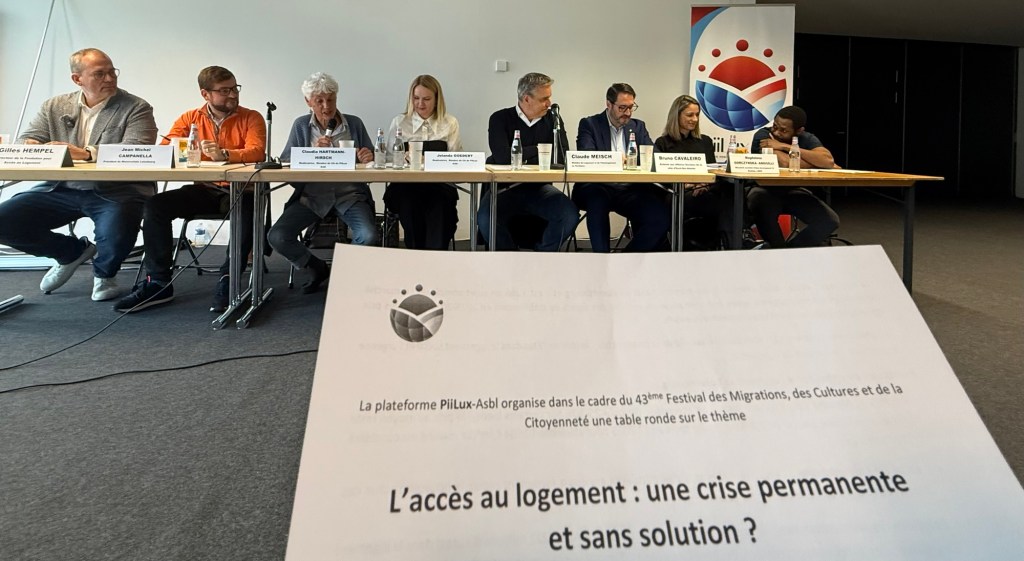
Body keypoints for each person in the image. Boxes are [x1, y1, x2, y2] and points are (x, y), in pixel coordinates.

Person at [0, 48, 157, 302]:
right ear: (77, 79)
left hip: (117, 189)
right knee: (4, 220)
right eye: (100, 74)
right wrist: (34, 145)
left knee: (117, 226)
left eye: (112, 72)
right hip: (61, 188)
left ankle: (105, 275)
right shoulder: (54, 105)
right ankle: (70, 252)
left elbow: (138, 148)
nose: (110, 78)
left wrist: (85, 153)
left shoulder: (136, 107)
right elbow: (27, 138)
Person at [113, 66, 266, 313]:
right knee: (155, 205)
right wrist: (179, 148)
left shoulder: (251, 117)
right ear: (205, 94)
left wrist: (225, 154)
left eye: (234, 88)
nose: (233, 94)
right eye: (224, 90)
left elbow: (257, 151)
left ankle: (229, 278)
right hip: (205, 189)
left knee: (248, 206)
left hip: (242, 190)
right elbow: (165, 147)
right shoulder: (190, 118)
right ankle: (158, 282)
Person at [266, 72, 380, 294]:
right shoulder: (301, 125)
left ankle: (344, 274)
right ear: (308, 102)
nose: (327, 106)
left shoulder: (354, 123)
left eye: (331, 99)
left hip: (350, 195)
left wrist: (369, 157)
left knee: (368, 236)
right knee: (277, 236)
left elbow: (373, 161)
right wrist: (311, 154)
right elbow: (287, 163)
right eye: (319, 101)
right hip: (312, 196)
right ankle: (317, 267)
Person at [480, 72, 578, 251]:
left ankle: (542, 256)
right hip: (505, 188)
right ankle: (509, 258)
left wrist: (520, 153)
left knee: (569, 214)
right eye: (544, 99)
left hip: (538, 189)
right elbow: (503, 158)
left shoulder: (553, 119)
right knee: (486, 218)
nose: (549, 103)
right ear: (526, 99)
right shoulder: (500, 118)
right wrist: (541, 149)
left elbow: (562, 157)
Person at [574, 83, 668, 252]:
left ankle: (625, 260)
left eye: (631, 107)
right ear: (608, 104)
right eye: (622, 107)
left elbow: (653, 155)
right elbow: (588, 156)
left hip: (628, 189)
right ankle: (602, 259)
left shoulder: (638, 126)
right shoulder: (590, 124)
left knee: (659, 217)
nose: (628, 113)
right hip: (596, 186)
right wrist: (618, 160)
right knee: (598, 201)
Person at [384, 75, 461, 250]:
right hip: (405, 185)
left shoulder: (450, 123)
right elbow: (388, 159)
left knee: (441, 209)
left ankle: (436, 256)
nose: (420, 104)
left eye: (426, 99)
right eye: (416, 98)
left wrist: (432, 161)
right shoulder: (399, 122)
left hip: (440, 185)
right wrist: (402, 158)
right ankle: (416, 255)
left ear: (437, 99)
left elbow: (456, 160)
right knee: (410, 204)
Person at [749, 105, 840, 248]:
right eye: (775, 126)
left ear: (799, 131)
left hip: (792, 191)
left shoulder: (806, 138)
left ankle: (790, 251)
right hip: (764, 189)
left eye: (783, 130)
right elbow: (785, 163)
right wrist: (816, 163)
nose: (776, 132)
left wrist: (785, 147)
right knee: (761, 203)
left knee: (830, 221)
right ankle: (777, 250)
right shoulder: (764, 136)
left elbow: (827, 161)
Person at [654, 94, 735, 249]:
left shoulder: (705, 141)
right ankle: (732, 244)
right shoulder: (663, 143)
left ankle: (731, 242)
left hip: (704, 190)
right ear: (676, 116)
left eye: (697, 115)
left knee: (730, 192)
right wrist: (689, 185)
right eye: (689, 115)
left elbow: (712, 171)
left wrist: (704, 184)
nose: (694, 119)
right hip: (678, 193)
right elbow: (661, 177)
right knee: (723, 203)